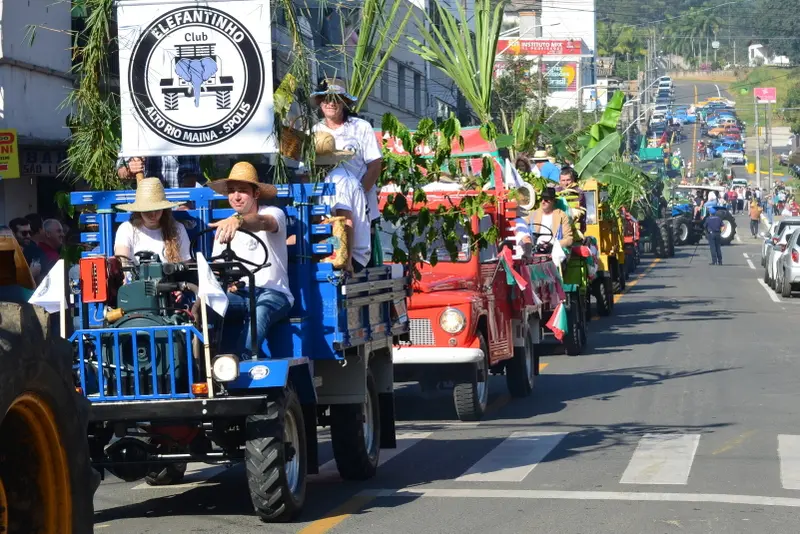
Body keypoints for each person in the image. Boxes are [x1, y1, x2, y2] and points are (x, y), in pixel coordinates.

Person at [207, 162, 293, 360]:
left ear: (256, 194)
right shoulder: (225, 226)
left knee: (260, 311)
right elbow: (219, 270)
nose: (236, 196)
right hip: (241, 294)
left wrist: (239, 221)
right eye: (232, 191)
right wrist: (228, 285)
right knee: (206, 305)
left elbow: (263, 222)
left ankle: (239, 363)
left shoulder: (273, 213)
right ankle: (200, 364)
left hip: (274, 293)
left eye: (243, 191)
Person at [311, 78, 383, 266]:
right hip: (327, 200)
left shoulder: (360, 127)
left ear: (344, 102)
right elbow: (308, 170)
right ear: (320, 102)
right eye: (326, 98)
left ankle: (348, 262)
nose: (331, 103)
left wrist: (358, 192)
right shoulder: (314, 131)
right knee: (331, 240)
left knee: (351, 234)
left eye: (336, 99)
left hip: (357, 196)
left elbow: (375, 164)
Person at [311, 131, 371, 273]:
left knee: (297, 252)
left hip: (351, 254)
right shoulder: (339, 176)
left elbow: (345, 222)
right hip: (348, 249)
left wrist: (347, 261)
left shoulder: (337, 181)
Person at [113, 178, 191, 264]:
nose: (153, 215)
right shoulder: (126, 229)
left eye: (157, 209)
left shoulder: (177, 229)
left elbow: (187, 265)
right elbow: (122, 261)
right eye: (148, 210)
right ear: (139, 210)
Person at [116, 155, 202, 189]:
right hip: (143, 203)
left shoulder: (180, 128)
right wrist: (130, 170)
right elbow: (120, 173)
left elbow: (189, 173)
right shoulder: (135, 130)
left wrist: (185, 203)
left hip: (176, 203)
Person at [8, 217, 42, 281]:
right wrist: (31, 274)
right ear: (13, 234)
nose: (28, 236)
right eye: (24, 233)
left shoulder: (34, 250)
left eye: (30, 232)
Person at [556, 166, 587, 234]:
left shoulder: (578, 193)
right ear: (559, 181)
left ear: (573, 179)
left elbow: (576, 212)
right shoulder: (557, 191)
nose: (565, 183)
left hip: (575, 227)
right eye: (563, 180)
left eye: (568, 180)